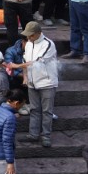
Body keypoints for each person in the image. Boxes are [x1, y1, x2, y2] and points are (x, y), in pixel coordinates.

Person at [17, 20, 58, 148]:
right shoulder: (29, 44)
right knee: (34, 109)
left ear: (39, 33)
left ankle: (46, 136)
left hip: (47, 83)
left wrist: (15, 66)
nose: (28, 37)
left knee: (47, 111)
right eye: (28, 35)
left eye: (31, 35)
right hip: (32, 83)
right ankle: (33, 134)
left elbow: (37, 62)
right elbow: (26, 60)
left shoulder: (48, 44)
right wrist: (25, 77)